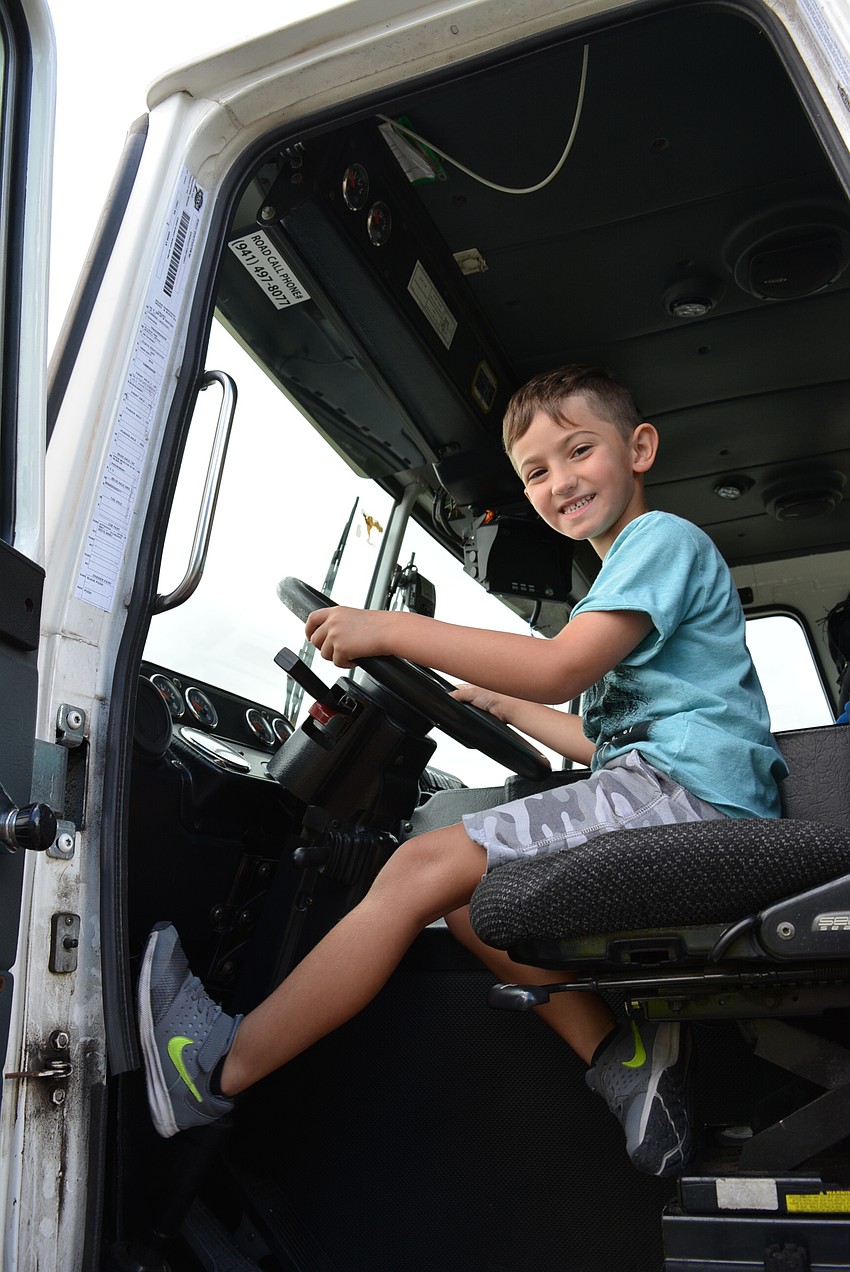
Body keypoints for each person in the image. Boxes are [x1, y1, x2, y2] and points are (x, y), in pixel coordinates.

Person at [138, 364, 787, 1178]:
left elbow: (558, 669)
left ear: (640, 447)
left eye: (578, 450)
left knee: (418, 864)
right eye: (537, 472)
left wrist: (390, 631)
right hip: (670, 794)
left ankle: (212, 1069)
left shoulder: (661, 543)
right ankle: (625, 1064)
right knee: (473, 898)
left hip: (688, 808)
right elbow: (603, 739)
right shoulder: (626, 579)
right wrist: (501, 707)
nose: (561, 481)